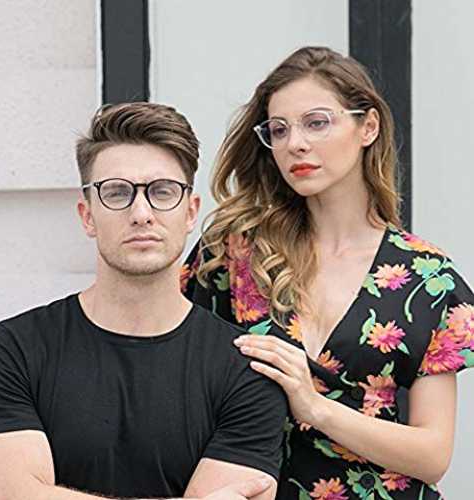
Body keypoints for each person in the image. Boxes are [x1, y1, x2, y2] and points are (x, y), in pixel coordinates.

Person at [182, 47, 474, 499]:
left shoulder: (427, 277)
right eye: (279, 129)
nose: (295, 143)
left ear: (368, 127)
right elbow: (176, 384)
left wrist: (314, 407)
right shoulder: (235, 254)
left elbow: (433, 454)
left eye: (316, 122)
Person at [0, 102, 288, 500]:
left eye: (162, 192)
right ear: (87, 215)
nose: (141, 213)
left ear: (190, 213)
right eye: (117, 193)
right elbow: (3, 494)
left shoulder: (246, 372)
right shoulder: (13, 351)